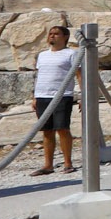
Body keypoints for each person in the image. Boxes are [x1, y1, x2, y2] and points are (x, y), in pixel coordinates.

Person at [31, 23, 77, 175]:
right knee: (47, 131)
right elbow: (38, 76)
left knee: (62, 129)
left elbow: (79, 74)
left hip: (62, 96)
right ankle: (48, 165)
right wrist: (34, 96)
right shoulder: (42, 55)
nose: (52, 36)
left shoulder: (71, 54)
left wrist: (83, 96)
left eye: (56, 33)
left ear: (65, 37)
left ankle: (68, 163)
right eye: (51, 33)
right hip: (42, 96)